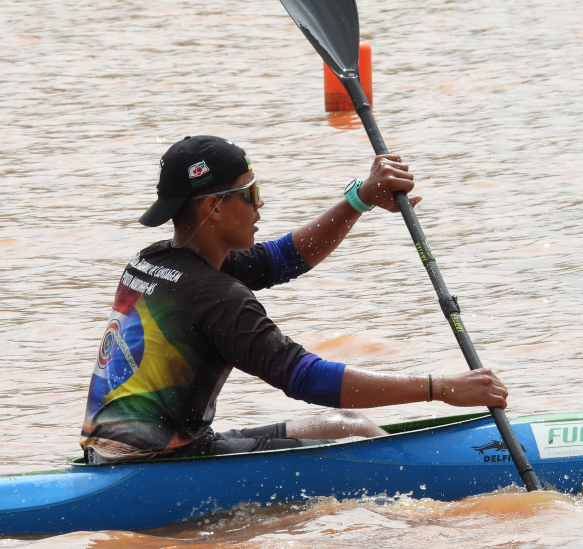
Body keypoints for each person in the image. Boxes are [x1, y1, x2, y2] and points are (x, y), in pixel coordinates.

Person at [80, 135, 509, 463]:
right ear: (212, 207)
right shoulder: (218, 298)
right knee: (354, 433)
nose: (260, 203)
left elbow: (280, 260)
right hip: (160, 465)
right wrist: (442, 388)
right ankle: (440, 477)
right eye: (250, 192)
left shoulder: (152, 260)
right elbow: (308, 378)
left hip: (115, 453)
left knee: (350, 426)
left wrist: (359, 200)